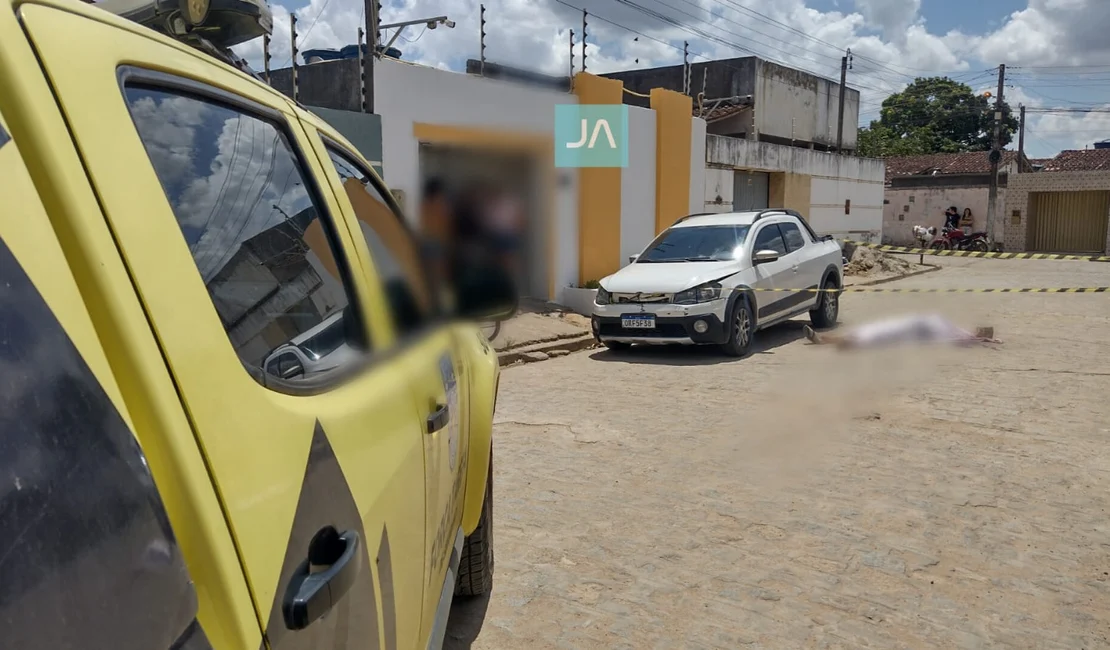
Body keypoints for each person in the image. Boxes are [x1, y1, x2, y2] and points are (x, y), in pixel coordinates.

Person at [802, 314, 1000, 350]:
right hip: (911, 327)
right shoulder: (962, 331)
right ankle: (824, 340)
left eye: (982, 330)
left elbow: (977, 341)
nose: (978, 328)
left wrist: (988, 340)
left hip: (911, 335)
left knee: (869, 339)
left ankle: (824, 340)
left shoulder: (965, 337)